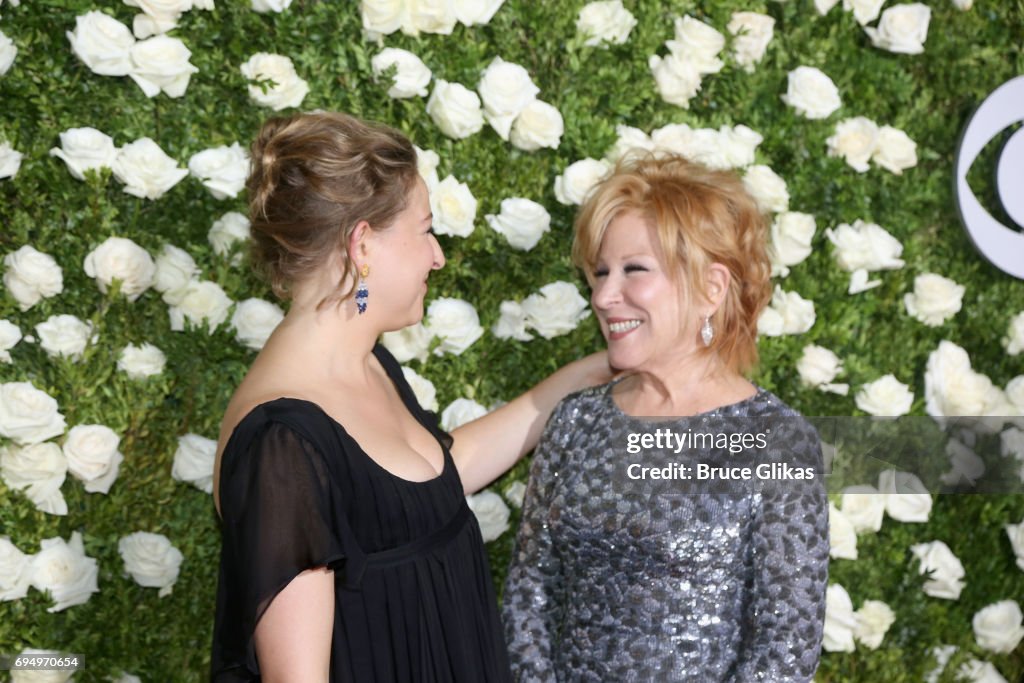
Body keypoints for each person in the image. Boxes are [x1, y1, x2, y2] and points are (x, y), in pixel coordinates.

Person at [210, 111, 608, 682]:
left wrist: (583, 375)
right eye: (424, 231)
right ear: (363, 244)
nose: (437, 256)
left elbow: (429, 488)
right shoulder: (283, 446)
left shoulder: (365, 360)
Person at [502, 154, 829, 681]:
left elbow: (784, 650)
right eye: (601, 272)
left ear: (710, 288)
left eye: (634, 270)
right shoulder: (576, 422)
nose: (605, 297)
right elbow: (529, 596)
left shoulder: (776, 441)